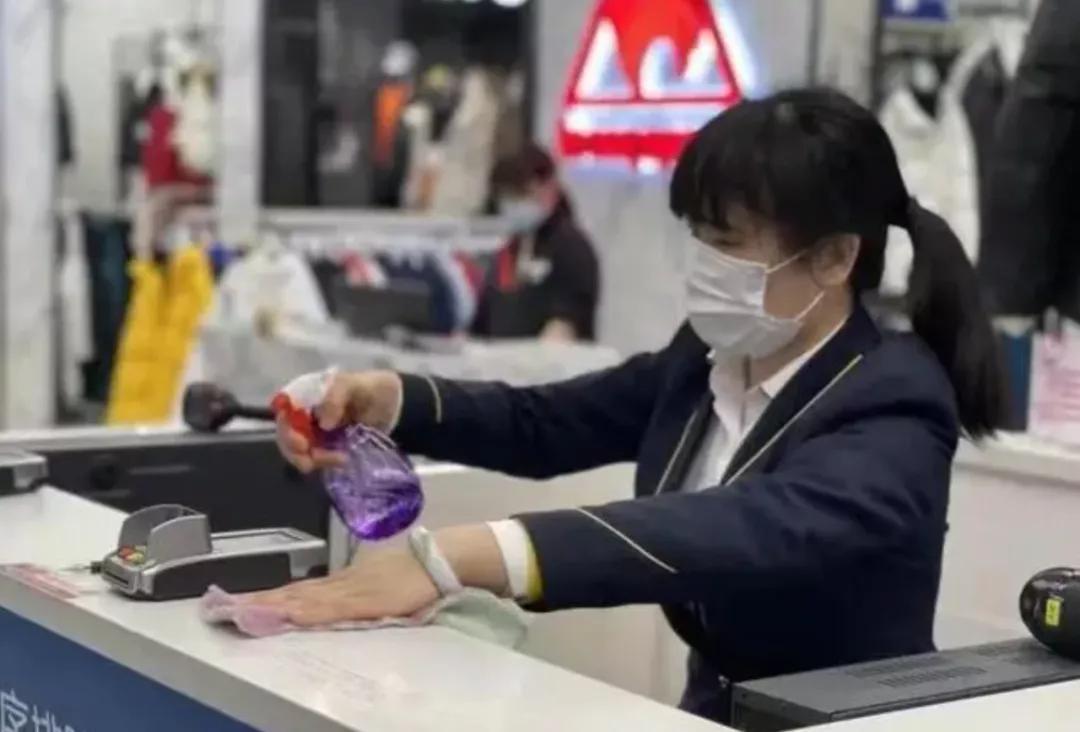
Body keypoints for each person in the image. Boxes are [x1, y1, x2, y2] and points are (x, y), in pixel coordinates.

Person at [261, 89, 1006, 724]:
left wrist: (463, 558)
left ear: (836, 257)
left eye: (728, 242)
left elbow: (743, 528)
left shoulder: (895, 400)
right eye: (698, 237)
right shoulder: (708, 360)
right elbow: (548, 422)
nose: (704, 263)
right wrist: (393, 401)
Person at [471, 143, 599, 342]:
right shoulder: (509, 249)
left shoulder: (572, 248)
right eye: (507, 196)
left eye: (522, 194)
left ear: (549, 187)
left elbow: (565, 326)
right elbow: (483, 321)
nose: (514, 203)